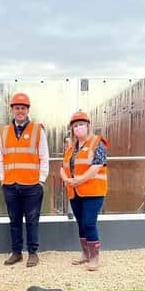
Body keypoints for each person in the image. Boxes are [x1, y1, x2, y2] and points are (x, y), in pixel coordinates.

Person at [0, 92, 49, 267]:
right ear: (12, 110)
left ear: (28, 110)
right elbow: (0, 157)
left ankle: (33, 253)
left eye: (23, 108)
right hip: (11, 185)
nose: (20, 111)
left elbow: (44, 156)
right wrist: (3, 179)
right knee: (14, 221)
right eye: (17, 108)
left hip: (32, 185)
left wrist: (41, 179)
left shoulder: (37, 130)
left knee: (32, 220)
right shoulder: (4, 131)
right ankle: (16, 252)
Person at [60, 111, 108, 271]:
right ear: (72, 129)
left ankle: (95, 257)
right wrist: (67, 180)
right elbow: (63, 167)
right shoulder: (71, 148)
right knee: (81, 223)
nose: (78, 128)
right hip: (75, 192)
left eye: (81, 124)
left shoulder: (97, 143)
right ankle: (85, 254)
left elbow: (97, 166)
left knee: (89, 223)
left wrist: (79, 180)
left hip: (93, 191)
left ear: (88, 126)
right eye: (75, 126)